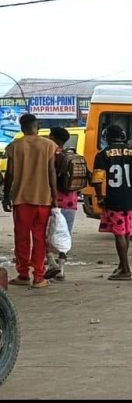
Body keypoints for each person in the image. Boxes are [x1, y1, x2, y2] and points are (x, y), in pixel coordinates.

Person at [2, 113, 58, 288]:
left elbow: (9, 174)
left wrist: (6, 196)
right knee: (40, 238)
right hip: (43, 199)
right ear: (37, 126)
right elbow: (52, 173)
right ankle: (39, 277)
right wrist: (55, 197)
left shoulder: (14, 146)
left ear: (21, 127)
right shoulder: (49, 145)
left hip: (21, 199)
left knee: (22, 238)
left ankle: (23, 274)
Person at [92, 124, 132, 281]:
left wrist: (100, 197)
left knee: (119, 234)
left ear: (107, 137)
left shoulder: (103, 154)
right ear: (123, 135)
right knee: (126, 232)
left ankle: (126, 269)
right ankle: (122, 265)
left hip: (114, 199)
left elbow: (97, 179)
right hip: (131, 199)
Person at [44, 127, 79, 281]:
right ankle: (62, 270)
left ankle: (51, 263)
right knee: (65, 236)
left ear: (52, 137)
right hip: (71, 201)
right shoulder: (71, 155)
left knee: (46, 234)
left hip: (52, 201)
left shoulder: (50, 154)